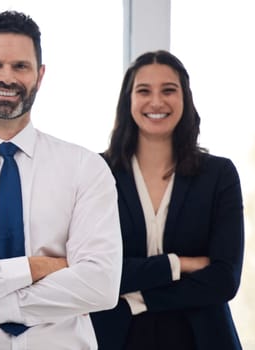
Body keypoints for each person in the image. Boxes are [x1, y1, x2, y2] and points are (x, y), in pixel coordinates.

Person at [0, 11, 123, 349]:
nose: (7, 77)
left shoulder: (85, 168)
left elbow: (99, 285)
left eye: (20, 66)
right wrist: (41, 267)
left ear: (40, 75)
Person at [90, 50, 244, 350]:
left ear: (184, 98)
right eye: (144, 91)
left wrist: (139, 297)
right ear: (128, 101)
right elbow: (94, 271)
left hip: (203, 338)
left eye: (169, 90)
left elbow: (225, 278)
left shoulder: (219, 175)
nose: (156, 102)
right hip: (114, 338)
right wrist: (178, 264)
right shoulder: (97, 173)